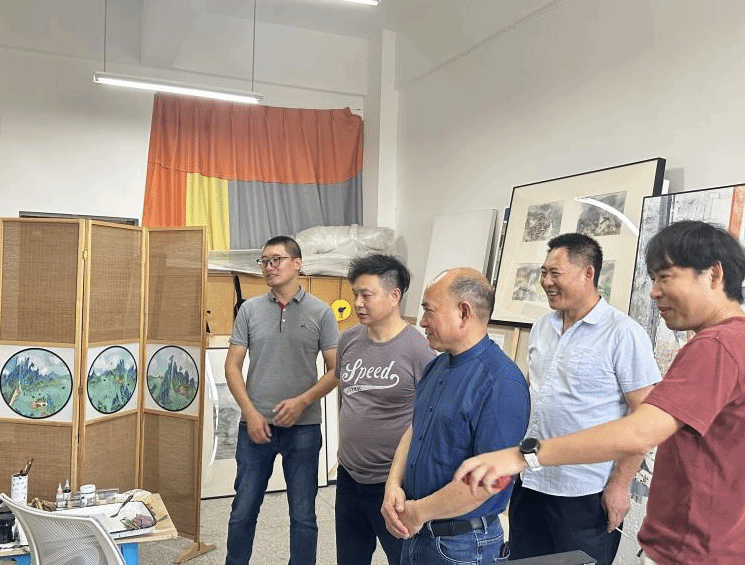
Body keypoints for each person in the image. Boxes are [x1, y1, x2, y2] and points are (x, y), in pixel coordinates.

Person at [455, 221, 745, 565]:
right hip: (708, 546)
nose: (654, 292)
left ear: (713, 274)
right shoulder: (742, 341)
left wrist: (525, 455)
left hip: (696, 552)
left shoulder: (717, 345)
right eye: (652, 279)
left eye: (665, 277)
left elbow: (640, 431)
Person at [509, 233, 660, 565]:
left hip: (585, 493)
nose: (546, 282)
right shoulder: (542, 327)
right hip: (530, 482)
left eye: (555, 273)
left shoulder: (623, 333)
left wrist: (619, 485)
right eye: (543, 272)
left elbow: (646, 418)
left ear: (588, 273)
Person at [380, 268, 531, 565]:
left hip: (461, 546)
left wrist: (419, 512)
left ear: (463, 313)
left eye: (429, 311)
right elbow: (415, 429)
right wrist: (393, 485)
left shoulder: (502, 383)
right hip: (418, 529)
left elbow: (490, 481)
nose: (422, 321)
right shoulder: (437, 366)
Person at [224, 235, 339, 565]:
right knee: (243, 511)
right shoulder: (249, 309)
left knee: (303, 515)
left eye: (276, 259)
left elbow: (336, 369)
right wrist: (250, 413)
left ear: (297, 264)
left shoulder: (321, 312)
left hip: (303, 429)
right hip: (254, 427)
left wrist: (302, 401)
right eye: (264, 261)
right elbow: (232, 366)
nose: (269, 267)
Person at [336, 254, 437, 565]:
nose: (358, 303)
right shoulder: (348, 339)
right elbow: (346, 396)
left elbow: (428, 420)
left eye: (366, 294)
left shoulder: (419, 350)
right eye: (355, 293)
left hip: (394, 483)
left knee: (403, 559)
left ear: (394, 296)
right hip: (348, 476)